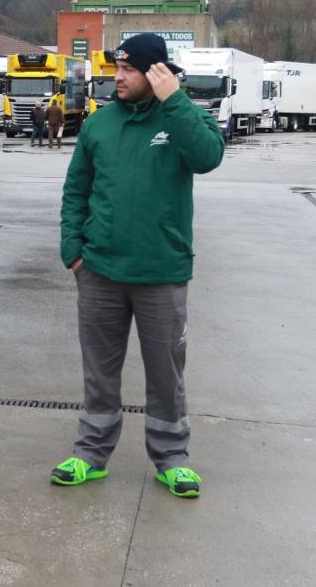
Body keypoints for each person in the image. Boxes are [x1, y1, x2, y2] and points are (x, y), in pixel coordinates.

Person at [51, 33, 224, 499]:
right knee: (99, 370)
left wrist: (176, 101)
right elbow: (76, 191)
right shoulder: (99, 124)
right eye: (116, 69)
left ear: (155, 73)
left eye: (128, 70)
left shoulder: (180, 117)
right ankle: (91, 453)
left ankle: (172, 459)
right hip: (100, 270)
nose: (118, 78)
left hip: (161, 271)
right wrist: (74, 250)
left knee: (166, 371)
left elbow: (209, 157)